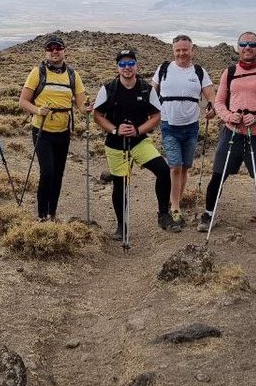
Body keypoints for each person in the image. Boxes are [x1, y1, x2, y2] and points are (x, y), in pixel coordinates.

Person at [197, 32, 256, 235]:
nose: (248, 47)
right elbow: (219, 102)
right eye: (244, 44)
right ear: (238, 47)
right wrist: (229, 116)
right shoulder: (229, 72)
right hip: (233, 132)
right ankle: (209, 213)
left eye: (252, 44)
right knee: (218, 175)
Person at [94, 49, 181, 238]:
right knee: (120, 184)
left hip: (139, 141)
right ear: (117, 67)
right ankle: (121, 226)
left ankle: (164, 215)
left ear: (136, 65)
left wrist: (138, 130)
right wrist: (115, 130)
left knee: (163, 171)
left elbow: (156, 115)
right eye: (122, 64)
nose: (127, 67)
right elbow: (97, 115)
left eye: (130, 63)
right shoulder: (108, 89)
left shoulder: (146, 89)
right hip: (115, 143)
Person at [19, 35, 87, 221]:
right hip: (42, 130)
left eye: (58, 48)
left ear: (64, 51)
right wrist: (38, 110)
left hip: (63, 132)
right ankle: (42, 215)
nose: (54, 51)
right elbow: (23, 101)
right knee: (47, 172)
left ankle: (52, 213)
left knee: (58, 174)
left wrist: (88, 109)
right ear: (46, 52)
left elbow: (81, 105)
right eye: (50, 48)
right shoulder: (38, 72)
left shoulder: (72, 75)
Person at [151, 35, 216, 225]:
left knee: (185, 167)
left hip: (191, 126)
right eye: (178, 50)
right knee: (175, 166)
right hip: (168, 125)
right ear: (173, 50)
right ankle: (175, 208)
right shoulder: (163, 69)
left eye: (185, 50)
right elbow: (152, 93)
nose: (181, 53)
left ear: (192, 50)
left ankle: (176, 201)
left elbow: (210, 95)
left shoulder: (199, 72)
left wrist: (212, 107)